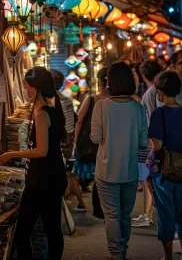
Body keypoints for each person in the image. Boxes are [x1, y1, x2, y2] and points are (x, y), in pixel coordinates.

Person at [0, 66, 67, 260]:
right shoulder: (45, 111)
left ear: (34, 87)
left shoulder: (42, 114)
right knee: (51, 229)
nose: (25, 89)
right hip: (48, 178)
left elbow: (42, 151)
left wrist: (11, 154)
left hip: (44, 181)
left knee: (25, 232)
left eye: (26, 85)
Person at [91, 62, 148, 260]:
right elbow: (143, 143)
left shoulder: (101, 106)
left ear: (110, 82)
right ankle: (122, 250)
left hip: (106, 171)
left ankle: (116, 254)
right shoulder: (138, 108)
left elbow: (95, 138)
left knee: (112, 216)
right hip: (130, 171)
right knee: (124, 215)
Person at [148, 71, 182, 260]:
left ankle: (168, 256)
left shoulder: (158, 113)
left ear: (159, 92)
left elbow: (157, 145)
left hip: (165, 171)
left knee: (166, 214)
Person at [50, 69, 86, 211]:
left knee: (57, 175)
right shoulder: (66, 99)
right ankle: (80, 202)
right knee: (68, 174)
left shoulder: (50, 102)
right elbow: (72, 124)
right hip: (67, 142)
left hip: (57, 143)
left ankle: (57, 206)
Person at [74, 67, 109, 211]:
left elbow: (80, 121)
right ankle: (104, 204)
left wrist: (76, 142)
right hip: (107, 145)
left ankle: (83, 203)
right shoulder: (116, 102)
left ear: (99, 81)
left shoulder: (92, 98)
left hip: (89, 143)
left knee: (78, 173)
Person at [132, 60, 161, 227]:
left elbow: (151, 121)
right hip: (156, 142)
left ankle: (149, 214)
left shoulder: (150, 94)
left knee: (147, 179)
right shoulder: (157, 92)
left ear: (143, 75)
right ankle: (148, 213)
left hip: (152, 143)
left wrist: (151, 148)